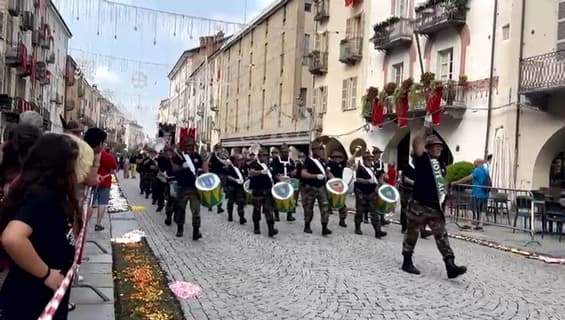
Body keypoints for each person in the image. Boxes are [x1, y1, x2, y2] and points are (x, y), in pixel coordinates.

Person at [0, 134, 81, 320]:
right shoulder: (42, 197)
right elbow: (12, 237)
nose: (74, 170)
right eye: (71, 163)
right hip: (32, 296)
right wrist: (45, 274)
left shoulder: (52, 193)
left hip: (43, 293)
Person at [401, 134, 467, 279]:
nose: (439, 148)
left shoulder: (441, 165)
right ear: (428, 148)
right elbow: (417, 142)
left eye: (440, 146)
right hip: (419, 204)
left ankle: (450, 265)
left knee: (442, 235)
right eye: (436, 145)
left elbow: (442, 185)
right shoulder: (422, 159)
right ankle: (407, 261)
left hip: (434, 207)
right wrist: (426, 126)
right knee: (412, 233)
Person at [169, 137, 203, 240]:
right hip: (183, 187)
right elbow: (173, 169)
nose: (189, 148)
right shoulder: (179, 156)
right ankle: (180, 230)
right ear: (184, 146)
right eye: (187, 146)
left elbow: (202, 168)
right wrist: (182, 166)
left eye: (191, 146)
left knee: (196, 211)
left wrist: (200, 170)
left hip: (195, 188)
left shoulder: (197, 156)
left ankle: (196, 232)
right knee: (181, 210)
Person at [84, 128, 117, 232]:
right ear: (99, 144)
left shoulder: (86, 153)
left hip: (94, 183)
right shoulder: (107, 157)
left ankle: (86, 224)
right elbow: (113, 168)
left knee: (91, 202)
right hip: (104, 182)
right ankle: (98, 223)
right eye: (103, 143)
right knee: (102, 203)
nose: (103, 145)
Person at [301, 141, 332, 236]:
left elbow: (327, 172)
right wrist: (315, 176)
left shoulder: (322, 161)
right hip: (310, 188)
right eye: (319, 149)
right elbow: (303, 173)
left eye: (321, 149)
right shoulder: (308, 160)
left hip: (322, 187)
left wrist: (334, 180)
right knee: (308, 207)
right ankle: (307, 226)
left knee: (325, 207)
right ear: (314, 150)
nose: (321, 151)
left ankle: (324, 227)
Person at [354, 152, 387, 238]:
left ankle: (378, 231)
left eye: (370, 159)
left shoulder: (373, 169)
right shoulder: (361, 168)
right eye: (368, 159)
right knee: (359, 212)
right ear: (364, 160)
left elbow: (379, 177)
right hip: (362, 192)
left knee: (374, 213)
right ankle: (357, 228)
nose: (370, 161)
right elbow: (358, 179)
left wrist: (381, 182)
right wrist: (367, 181)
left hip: (372, 193)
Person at [398, 156, 433, 238]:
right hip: (406, 191)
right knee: (405, 210)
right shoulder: (407, 167)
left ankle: (422, 231)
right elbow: (405, 179)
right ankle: (404, 227)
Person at [453, 159, 491, 230]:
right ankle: (480, 224)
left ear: (478, 163)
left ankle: (469, 223)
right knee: (482, 209)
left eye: (475, 163)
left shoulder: (477, 170)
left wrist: (456, 182)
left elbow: (468, 178)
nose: (474, 164)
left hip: (477, 193)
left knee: (471, 208)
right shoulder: (486, 171)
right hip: (485, 193)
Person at [248, 147, 278, 237]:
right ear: (259, 156)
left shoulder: (268, 165)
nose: (264, 157)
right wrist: (261, 172)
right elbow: (251, 173)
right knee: (257, 210)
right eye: (263, 156)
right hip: (258, 190)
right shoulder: (253, 163)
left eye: (266, 156)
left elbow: (274, 175)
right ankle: (256, 228)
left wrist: (282, 179)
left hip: (268, 191)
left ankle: (271, 230)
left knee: (269, 211)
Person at [270, 144, 297, 222]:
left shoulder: (290, 160)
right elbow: (273, 172)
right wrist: (279, 178)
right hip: (278, 182)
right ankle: (276, 216)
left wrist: (293, 172)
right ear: (281, 152)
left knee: (290, 197)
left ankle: (289, 215)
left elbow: (293, 170)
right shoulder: (275, 160)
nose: (285, 154)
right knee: (276, 198)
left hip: (288, 182)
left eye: (286, 152)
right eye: (284, 152)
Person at [326, 149, 349, 228]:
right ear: (333, 157)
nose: (337, 158)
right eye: (335, 157)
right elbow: (328, 172)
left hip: (340, 185)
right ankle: (325, 221)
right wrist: (334, 179)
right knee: (327, 201)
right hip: (331, 185)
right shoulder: (330, 163)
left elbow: (350, 162)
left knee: (342, 202)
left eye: (339, 157)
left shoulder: (342, 164)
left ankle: (342, 220)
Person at [225, 154, 247, 224]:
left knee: (240, 202)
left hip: (239, 187)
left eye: (240, 160)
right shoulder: (230, 167)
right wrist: (235, 180)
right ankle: (230, 216)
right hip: (231, 187)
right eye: (238, 160)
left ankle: (241, 218)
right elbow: (227, 176)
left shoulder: (240, 168)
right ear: (234, 160)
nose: (240, 161)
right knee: (230, 202)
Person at [207, 144, 228, 214]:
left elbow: (225, 163)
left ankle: (216, 207)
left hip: (219, 175)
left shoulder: (220, 155)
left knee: (218, 191)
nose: (219, 150)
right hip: (215, 175)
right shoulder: (212, 155)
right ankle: (213, 206)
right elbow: (208, 164)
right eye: (218, 149)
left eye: (219, 149)